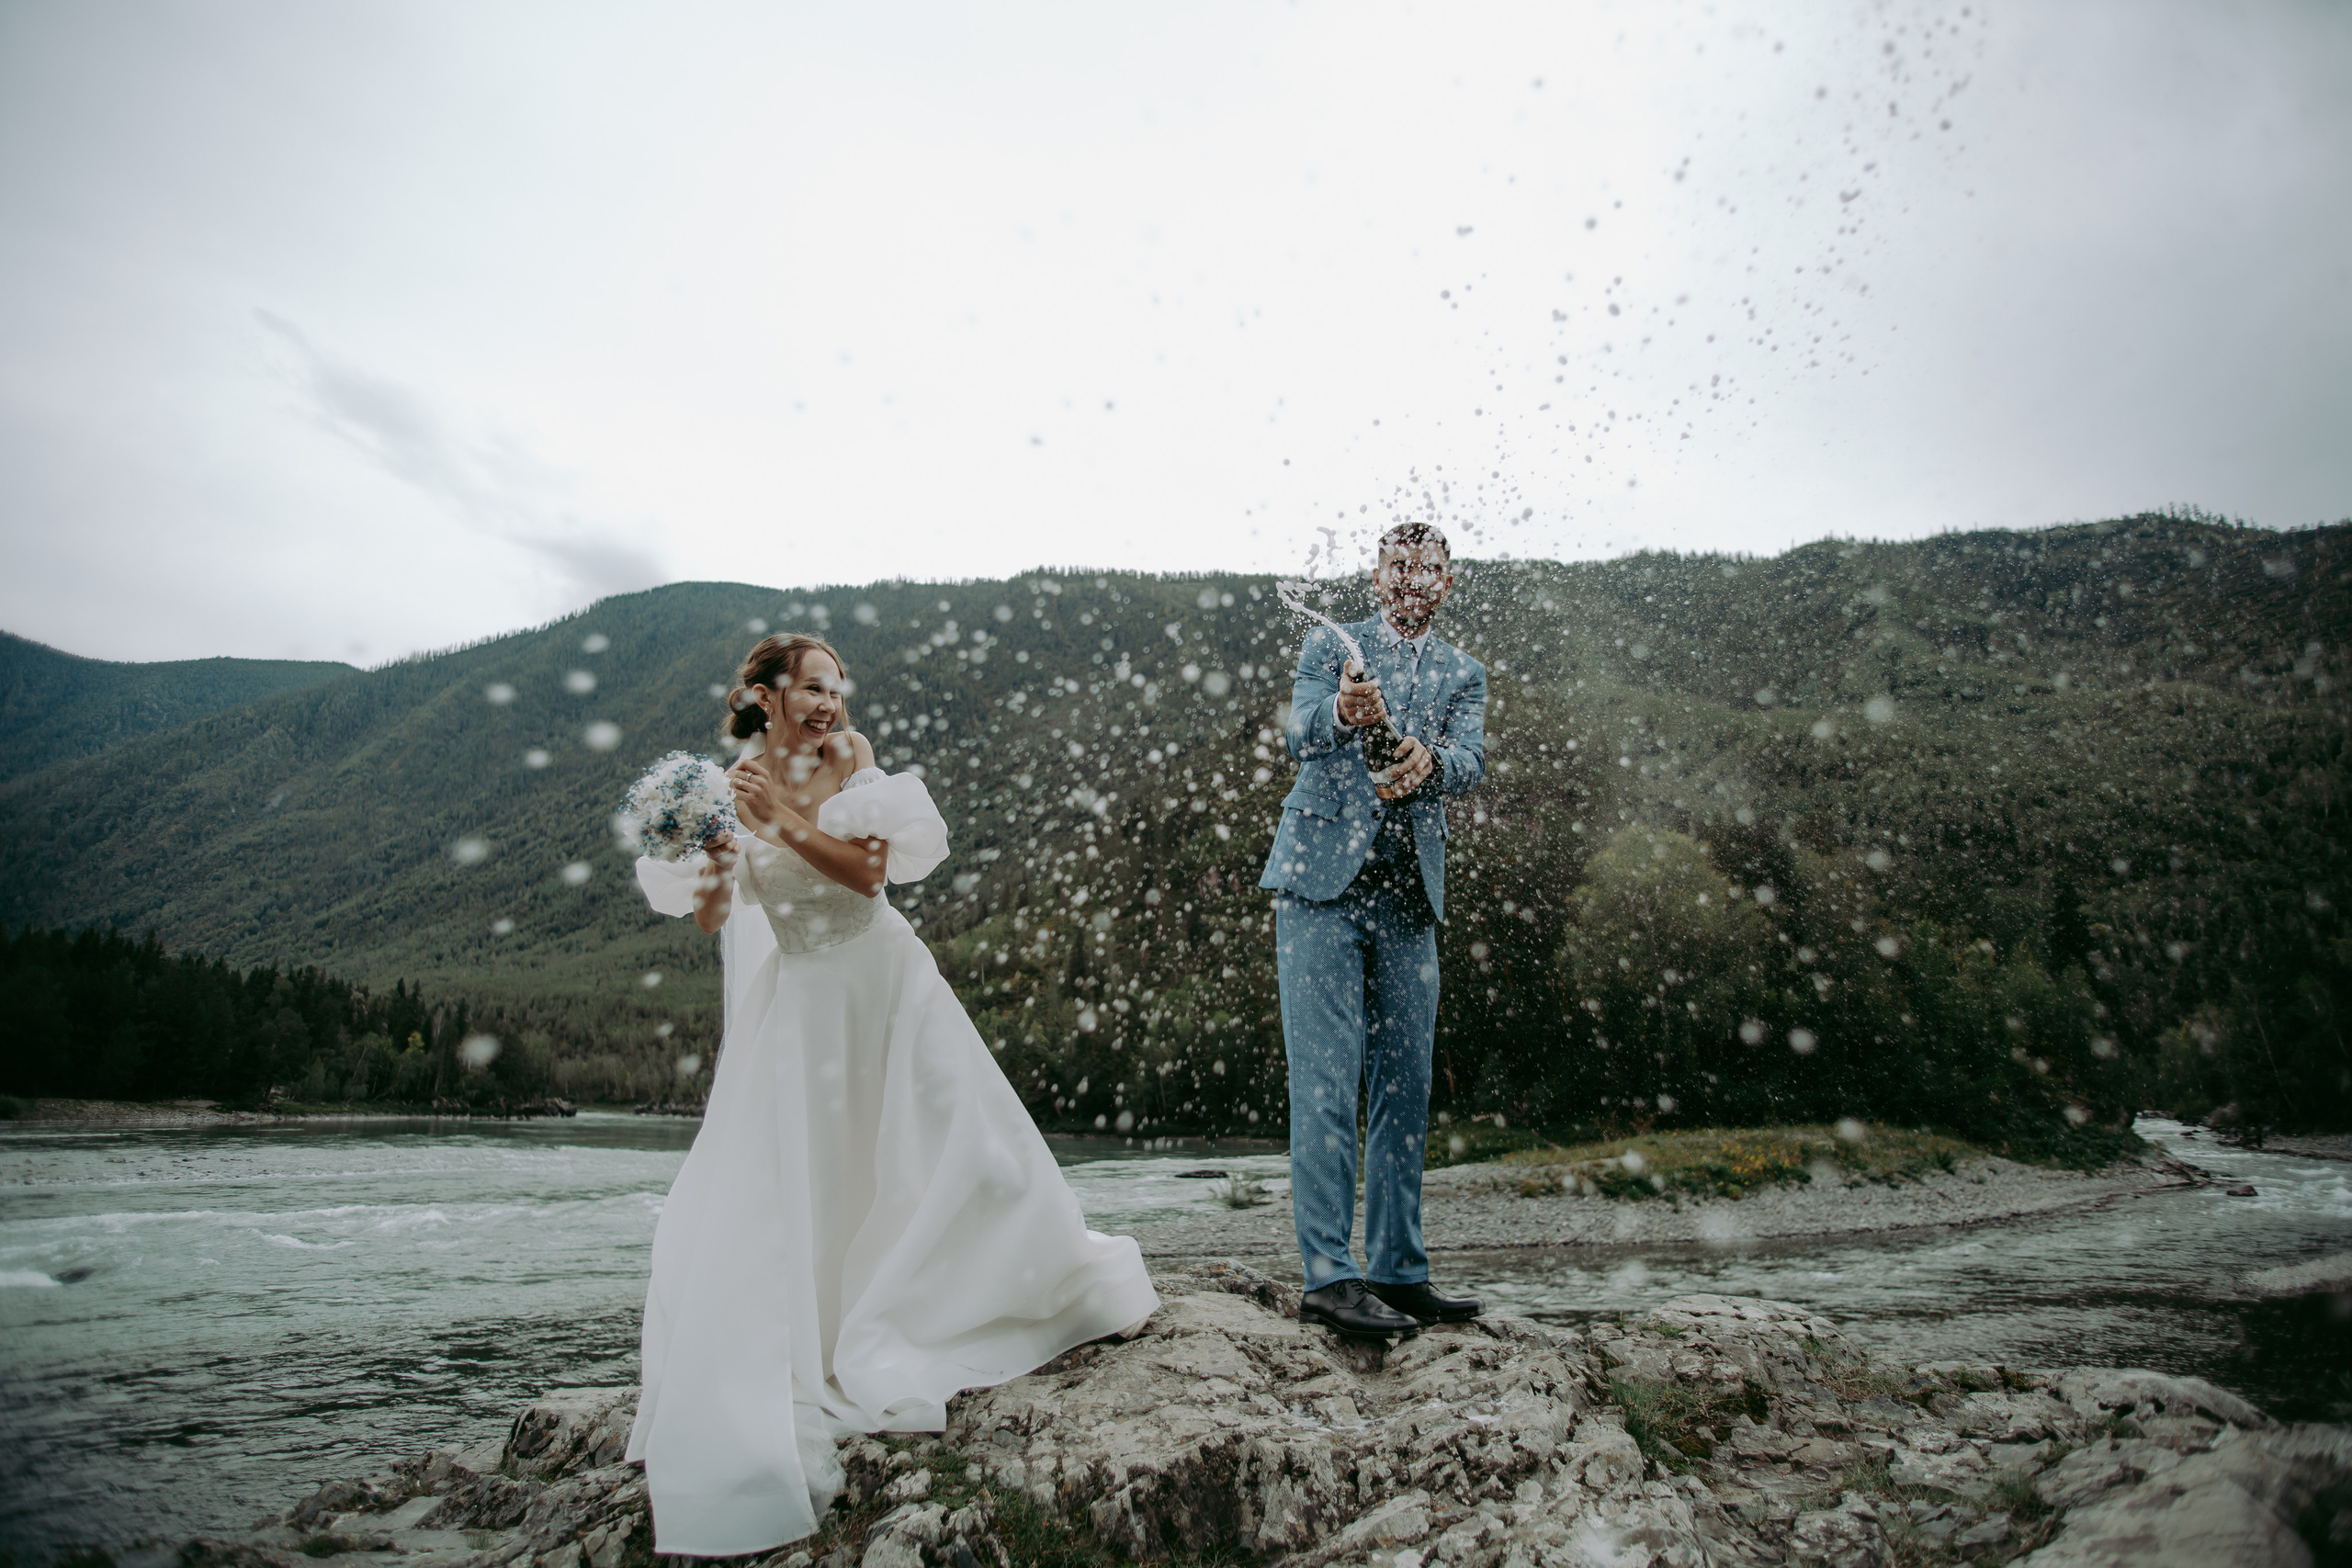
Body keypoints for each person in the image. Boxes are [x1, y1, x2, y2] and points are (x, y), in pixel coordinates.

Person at [624, 632, 1159, 1557]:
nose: (829, 703)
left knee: (951, 1152)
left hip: (881, 986)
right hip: (797, 1007)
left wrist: (778, 823)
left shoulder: (851, 763)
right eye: (811, 687)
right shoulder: (732, 780)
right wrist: (712, 841)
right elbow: (718, 911)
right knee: (808, 1190)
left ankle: (999, 1283)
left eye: (835, 686)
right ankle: (822, 1334)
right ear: (764, 696)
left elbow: (870, 873)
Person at [1257, 523, 1487, 1337]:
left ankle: (1399, 1270)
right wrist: (1346, 714)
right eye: (1399, 564)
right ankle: (1330, 1277)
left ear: (1448, 582)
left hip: (1408, 899)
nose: (1413, 576)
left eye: (1429, 566)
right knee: (1326, 1079)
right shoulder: (1335, 645)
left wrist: (1434, 761)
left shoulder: (1467, 673)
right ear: (1378, 575)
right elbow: (1298, 730)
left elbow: (1471, 761)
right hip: (1318, 887)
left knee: (1406, 1087)